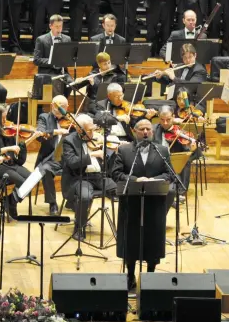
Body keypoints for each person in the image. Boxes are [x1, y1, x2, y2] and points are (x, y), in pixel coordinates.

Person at [112, 119, 173, 291]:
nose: (145, 132)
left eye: (148, 129)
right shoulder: (124, 150)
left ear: (152, 132)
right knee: (131, 238)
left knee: (153, 238)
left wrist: (153, 180)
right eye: (141, 129)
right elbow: (116, 173)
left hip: (154, 201)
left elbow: (169, 173)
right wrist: (135, 180)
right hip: (131, 201)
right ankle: (130, 275)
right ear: (134, 131)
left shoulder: (161, 150)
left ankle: (150, 277)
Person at [61, 113, 117, 241]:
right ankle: (79, 228)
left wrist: (111, 153)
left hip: (97, 176)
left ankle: (124, 228)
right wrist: (92, 155)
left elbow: (106, 163)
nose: (93, 133)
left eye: (93, 129)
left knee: (123, 190)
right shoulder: (69, 141)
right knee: (85, 196)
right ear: (79, 130)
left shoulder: (96, 139)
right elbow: (72, 162)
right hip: (80, 177)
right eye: (89, 130)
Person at [0, 103, 42, 218]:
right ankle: (11, 203)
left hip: (11, 164)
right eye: (2, 118)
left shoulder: (8, 131)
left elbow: (18, 151)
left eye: (5, 117)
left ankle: (10, 200)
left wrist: (24, 143)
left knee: (32, 180)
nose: (5, 120)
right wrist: (9, 148)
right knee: (23, 183)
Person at [152, 105, 197, 208]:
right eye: (162, 120)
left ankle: (180, 192)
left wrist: (192, 148)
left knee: (186, 161)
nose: (165, 123)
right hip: (157, 161)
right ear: (158, 117)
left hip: (173, 162)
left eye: (168, 119)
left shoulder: (179, 132)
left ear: (173, 116)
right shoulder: (153, 129)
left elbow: (186, 151)